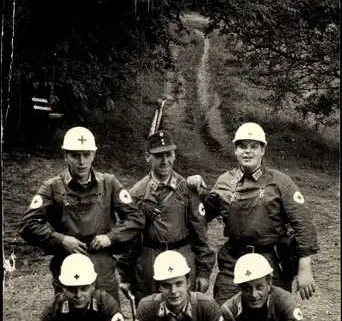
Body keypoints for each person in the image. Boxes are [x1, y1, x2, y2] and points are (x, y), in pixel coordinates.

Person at [187, 122, 318, 306]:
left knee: (273, 318)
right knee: (224, 316)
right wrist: (196, 189)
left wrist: (305, 270)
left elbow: (303, 225)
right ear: (235, 150)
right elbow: (203, 215)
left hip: (271, 264)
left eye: (253, 146)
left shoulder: (280, 182)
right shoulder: (225, 181)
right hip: (233, 261)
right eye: (242, 146)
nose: (247, 151)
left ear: (263, 150)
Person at [19, 126, 145, 301]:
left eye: (86, 154)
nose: (82, 161)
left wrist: (111, 237)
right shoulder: (52, 187)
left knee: (108, 317)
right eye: (75, 155)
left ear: (94, 154)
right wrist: (61, 240)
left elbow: (136, 218)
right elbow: (27, 225)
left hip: (102, 268)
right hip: (67, 266)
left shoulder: (109, 183)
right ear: (65, 156)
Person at [117, 129, 215, 305]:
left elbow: (200, 233)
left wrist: (203, 272)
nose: (165, 161)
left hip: (182, 256)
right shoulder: (137, 192)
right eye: (158, 156)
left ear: (175, 155)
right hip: (149, 260)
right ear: (148, 157)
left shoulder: (186, 189)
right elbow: (129, 239)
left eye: (168, 154)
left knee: (184, 312)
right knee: (150, 310)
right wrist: (125, 276)